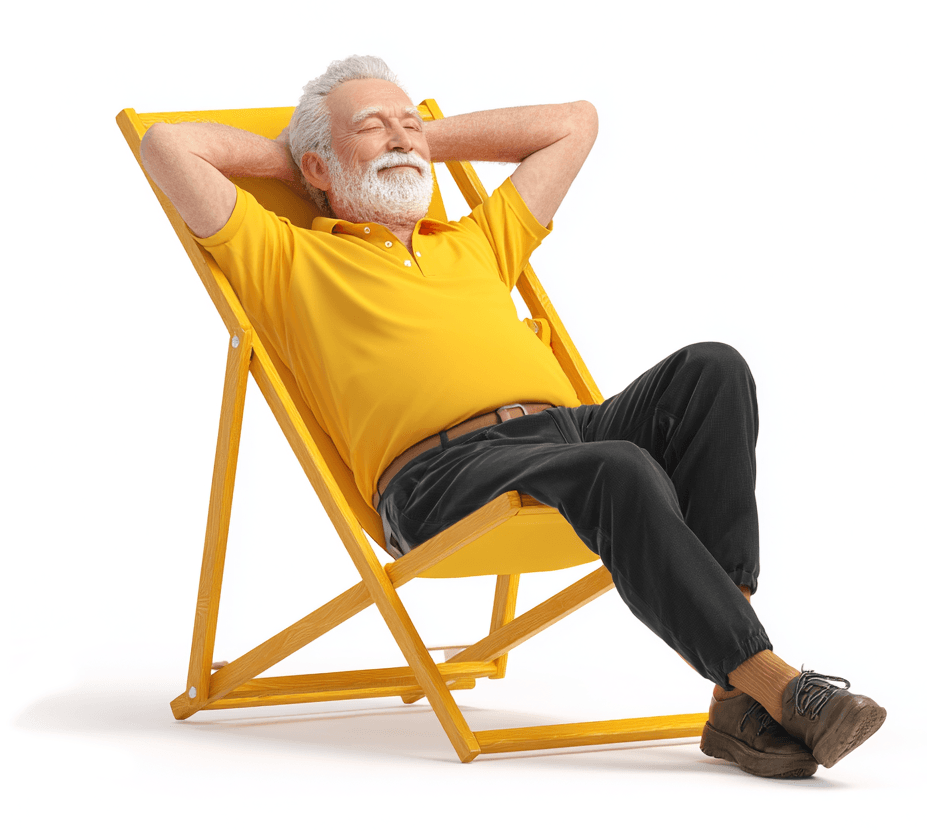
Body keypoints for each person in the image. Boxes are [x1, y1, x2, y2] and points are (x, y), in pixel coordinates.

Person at [139, 55, 885, 778]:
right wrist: (302, 154)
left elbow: (574, 124)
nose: (401, 137)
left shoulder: (472, 240)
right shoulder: (286, 256)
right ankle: (776, 684)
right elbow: (166, 143)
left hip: (566, 437)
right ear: (316, 169)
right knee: (618, 465)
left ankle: (737, 696)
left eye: (409, 123)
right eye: (373, 127)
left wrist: (418, 136)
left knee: (712, 368)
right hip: (440, 475)